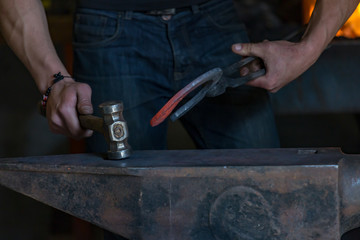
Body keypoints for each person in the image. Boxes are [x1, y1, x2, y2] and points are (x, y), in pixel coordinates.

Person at [0, 0, 359, 239]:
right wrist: (53, 79)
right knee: (125, 215)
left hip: (214, 21)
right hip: (109, 27)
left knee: (266, 206)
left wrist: (309, 48)